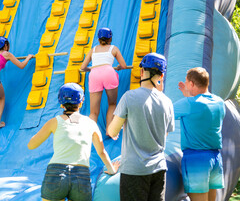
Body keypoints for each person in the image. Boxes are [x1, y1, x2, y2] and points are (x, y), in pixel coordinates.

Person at [28, 83, 120, 201]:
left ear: (61, 104)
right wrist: (112, 169)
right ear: (81, 102)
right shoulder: (90, 123)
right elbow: (101, 152)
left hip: (56, 173)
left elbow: (31, 145)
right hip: (81, 176)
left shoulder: (54, 122)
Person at [107, 53, 175, 201]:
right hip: (159, 169)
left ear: (141, 72)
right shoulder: (167, 102)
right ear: (161, 76)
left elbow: (112, 131)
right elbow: (165, 136)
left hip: (134, 170)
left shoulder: (129, 97)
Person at [173, 67, 225, 201]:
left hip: (197, 159)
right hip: (216, 158)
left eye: (186, 82)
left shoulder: (188, 103)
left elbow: (165, 113)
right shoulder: (219, 102)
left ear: (191, 84)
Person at [0, 36, 33, 128]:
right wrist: (28, 57)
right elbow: (21, 65)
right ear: (6, 45)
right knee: (1, 98)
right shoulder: (6, 54)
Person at [80, 27, 127, 132]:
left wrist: (90, 69)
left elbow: (82, 67)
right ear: (110, 38)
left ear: (98, 38)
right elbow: (123, 65)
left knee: (93, 112)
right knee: (112, 104)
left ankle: (90, 134)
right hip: (108, 73)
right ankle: (109, 131)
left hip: (94, 74)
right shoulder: (113, 48)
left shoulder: (93, 50)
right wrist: (118, 67)